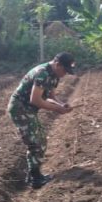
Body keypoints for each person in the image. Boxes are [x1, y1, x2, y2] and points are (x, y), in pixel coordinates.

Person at [8, 52, 76, 189]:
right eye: (65, 70)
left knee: (40, 140)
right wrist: (56, 109)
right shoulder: (42, 73)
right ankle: (34, 178)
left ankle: (35, 174)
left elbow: (50, 95)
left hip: (28, 110)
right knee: (36, 142)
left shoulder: (54, 74)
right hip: (20, 109)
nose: (65, 74)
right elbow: (36, 99)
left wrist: (61, 104)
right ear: (57, 64)